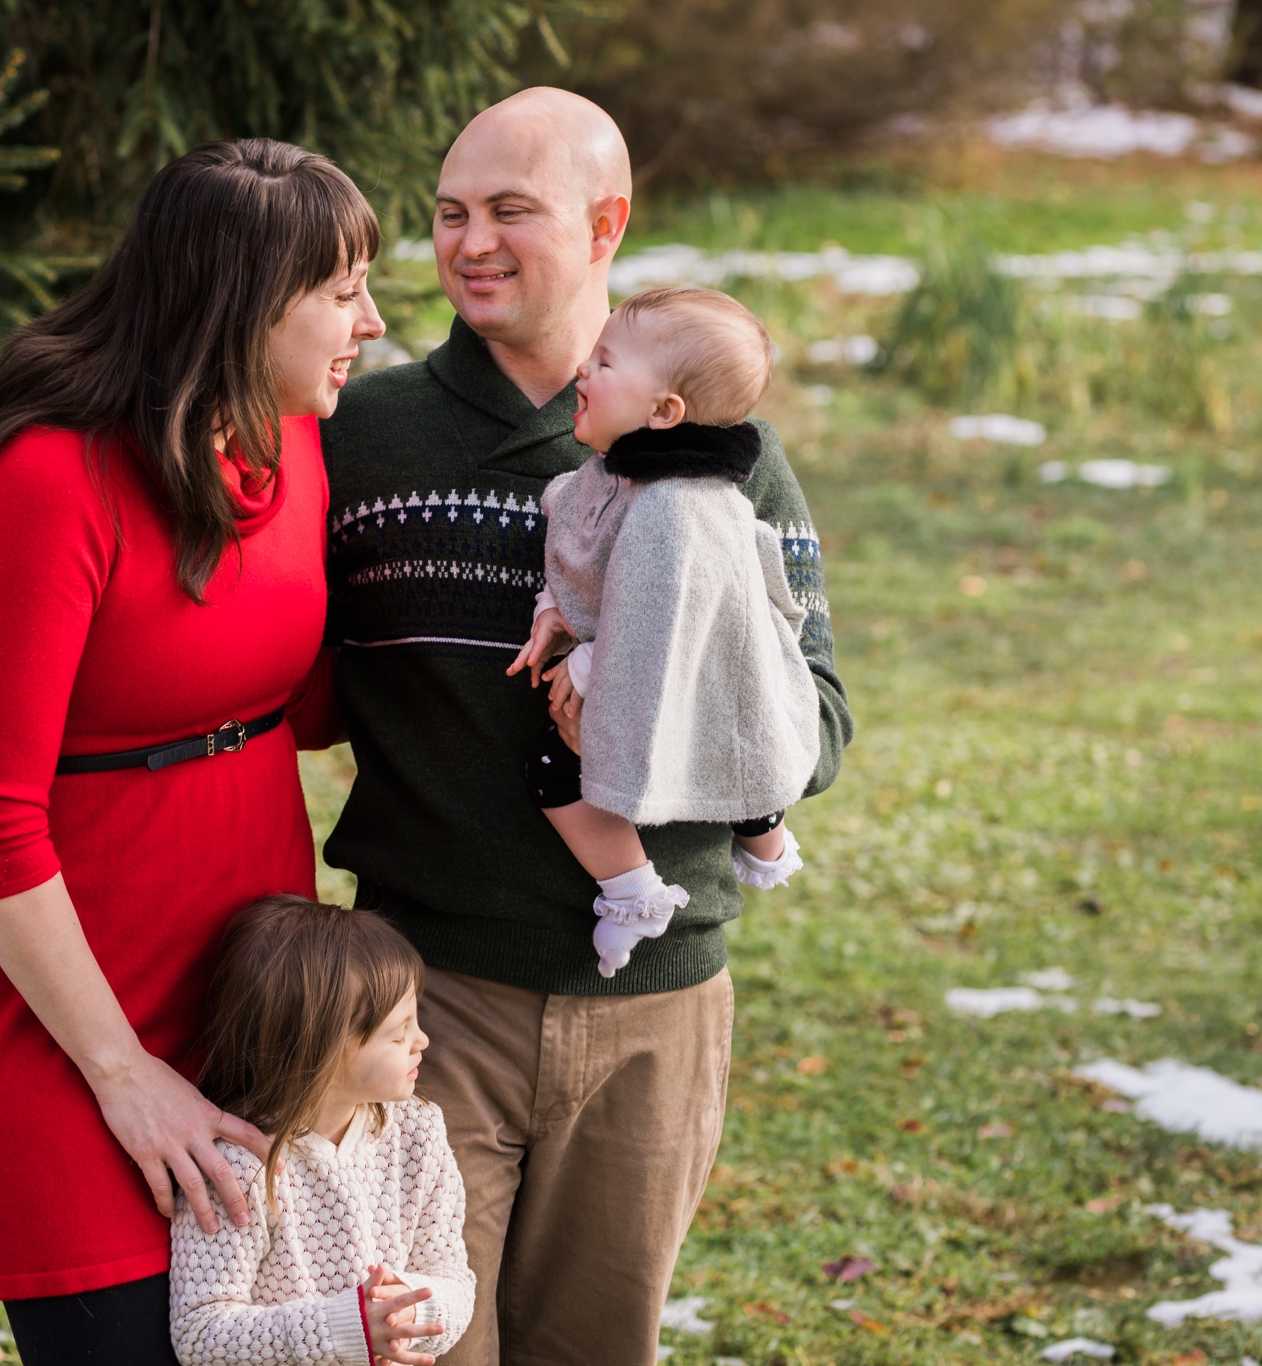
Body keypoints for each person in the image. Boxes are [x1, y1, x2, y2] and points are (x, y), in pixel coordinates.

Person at [319, 88, 852, 1365]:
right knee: (416, 1350)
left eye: (512, 210)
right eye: (449, 215)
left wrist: (658, 696)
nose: (470, 242)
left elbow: (817, 723)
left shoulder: (723, 454)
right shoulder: (359, 436)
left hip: (652, 1017)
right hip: (425, 999)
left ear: (607, 223)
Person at [0, 139, 385, 1366]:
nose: (371, 323)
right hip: (67, 1012)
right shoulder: (48, 479)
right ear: (239, 304)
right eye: (340, 293)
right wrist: (119, 1072)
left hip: (245, 974)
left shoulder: (295, 439)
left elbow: (311, 699)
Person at [507, 286, 817, 978]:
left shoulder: (676, 506)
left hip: (708, 671)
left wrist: (590, 667)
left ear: (664, 412)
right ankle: (760, 833)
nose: (583, 370)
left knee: (564, 770)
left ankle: (634, 894)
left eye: (606, 362)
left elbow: (656, 613)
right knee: (735, 742)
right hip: (696, 682)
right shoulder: (618, 479)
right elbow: (585, 565)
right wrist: (552, 609)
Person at [170, 894, 475, 1366]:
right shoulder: (238, 1165)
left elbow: (452, 1276)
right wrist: (348, 1327)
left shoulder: (417, 1130)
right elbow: (202, 1333)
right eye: (399, 1033)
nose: (422, 1042)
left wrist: (406, 1308)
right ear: (320, 1050)